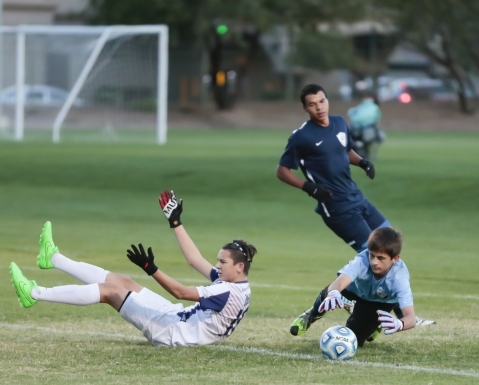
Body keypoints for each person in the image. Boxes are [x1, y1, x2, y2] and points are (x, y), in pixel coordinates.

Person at [8, 190, 257, 347]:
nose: (216, 266)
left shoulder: (226, 292)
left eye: (222, 262)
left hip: (173, 333)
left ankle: (33, 293)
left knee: (110, 291)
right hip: (176, 317)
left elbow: (181, 292)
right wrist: (176, 222)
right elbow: (194, 259)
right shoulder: (235, 285)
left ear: (239, 266)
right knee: (122, 280)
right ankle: (53, 258)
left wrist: (151, 269)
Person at [276, 83, 435, 327]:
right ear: (304, 108)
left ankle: (391, 318)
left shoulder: (340, 122)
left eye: (322, 101)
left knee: (389, 248)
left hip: (357, 197)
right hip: (336, 207)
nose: (319, 107)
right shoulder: (301, 137)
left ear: (327, 100)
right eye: (312, 104)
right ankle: (318, 313)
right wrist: (308, 187)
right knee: (373, 257)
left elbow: (345, 149)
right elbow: (282, 171)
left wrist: (362, 162)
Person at [290, 227, 416, 347]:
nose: (374, 262)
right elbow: (338, 283)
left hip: (379, 302)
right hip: (354, 290)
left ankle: (374, 322)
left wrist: (399, 324)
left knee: (353, 340)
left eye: (381, 258)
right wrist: (333, 293)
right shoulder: (362, 260)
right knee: (329, 293)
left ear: (395, 258)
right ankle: (312, 314)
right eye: (372, 255)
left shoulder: (400, 278)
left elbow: (411, 317)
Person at [347, 91, 385, 161]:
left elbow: (352, 114)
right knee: (365, 143)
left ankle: (360, 153)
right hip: (367, 130)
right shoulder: (374, 108)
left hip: (356, 130)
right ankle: (363, 154)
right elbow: (376, 120)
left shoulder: (360, 107)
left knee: (359, 143)